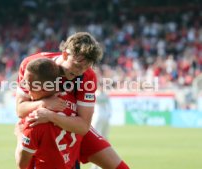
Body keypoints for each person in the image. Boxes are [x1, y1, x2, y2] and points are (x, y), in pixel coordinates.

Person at [15, 32, 129, 169]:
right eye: (77, 65)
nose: (80, 72)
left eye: (86, 67)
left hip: (72, 123)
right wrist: (44, 104)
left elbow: (83, 127)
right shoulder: (34, 66)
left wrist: (51, 115)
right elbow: (20, 109)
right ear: (64, 54)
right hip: (43, 127)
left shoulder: (87, 76)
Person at [15, 58, 83, 169]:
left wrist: (19, 134)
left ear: (42, 89)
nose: (25, 88)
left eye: (28, 83)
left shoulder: (35, 120)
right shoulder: (74, 108)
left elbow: (21, 164)